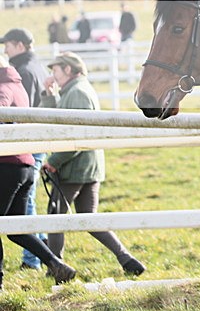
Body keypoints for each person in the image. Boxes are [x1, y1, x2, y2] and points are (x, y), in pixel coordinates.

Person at [41, 52, 146, 277]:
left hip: (75, 169)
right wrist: (49, 95)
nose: (53, 75)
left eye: (56, 70)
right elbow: (55, 118)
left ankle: (56, 267)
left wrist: (54, 161)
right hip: (87, 167)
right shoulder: (75, 91)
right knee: (89, 217)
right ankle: (126, 258)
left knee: (55, 216)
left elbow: (78, 137)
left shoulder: (77, 93)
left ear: (68, 70)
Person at [0, 57, 77, 288]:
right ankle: (56, 265)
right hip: (23, 164)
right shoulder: (17, 84)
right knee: (16, 229)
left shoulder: (3, 87)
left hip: (7, 164)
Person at [1, 28, 49, 270]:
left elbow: (13, 114)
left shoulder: (21, 72)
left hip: (18, 151)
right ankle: (50, 259)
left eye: (8, 44)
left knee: (25, 206)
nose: (6, 49)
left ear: (19, 45)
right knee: (21, 211)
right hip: (30, 148)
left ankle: (33, 261)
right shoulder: (33, 68)